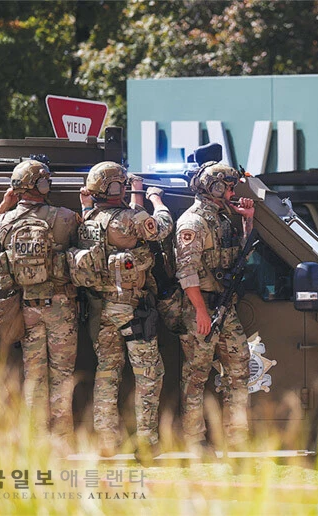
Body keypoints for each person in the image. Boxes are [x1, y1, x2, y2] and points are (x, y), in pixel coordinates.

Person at [70, 161, 173, 458]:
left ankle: (105, 439)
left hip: (100, 307)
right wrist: (155, 199)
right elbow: (161, 227)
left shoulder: (88, 220)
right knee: (149, 373)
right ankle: (146, 442)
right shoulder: (130, 219)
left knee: (107, 371)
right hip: (131, 307)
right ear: (117, 187)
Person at [0, 160, 79, 447]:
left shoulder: (6, 222)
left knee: (34, 377)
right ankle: (63, 443)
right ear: (41, 185)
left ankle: (36, 443)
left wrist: (2, 206)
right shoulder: (66, 217)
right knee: (62, 376)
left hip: (27, 308)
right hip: (62, 307)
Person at [175, 160, 254, 454]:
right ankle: (194, 440)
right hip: (203, 308)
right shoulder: (193, 223)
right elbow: (187, 271)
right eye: (229, 186)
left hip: (224, 308)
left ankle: (237, 438)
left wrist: (247, 220)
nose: (233, 192)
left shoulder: (223, 220)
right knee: (196, 376)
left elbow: (240, 257)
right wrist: (200, 311)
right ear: (216, 187)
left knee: (239, 368)